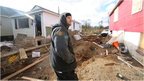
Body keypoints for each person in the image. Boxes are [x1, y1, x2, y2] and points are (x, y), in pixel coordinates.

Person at [50, 12, 78, 80]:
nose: (71, 19)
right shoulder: (60, 30)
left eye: (71, 18)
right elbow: (61, 49)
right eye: (68, 18)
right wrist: (71, 60)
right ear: (63, 19)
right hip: (63, 66)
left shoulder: (62, 29)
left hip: (60, 65)